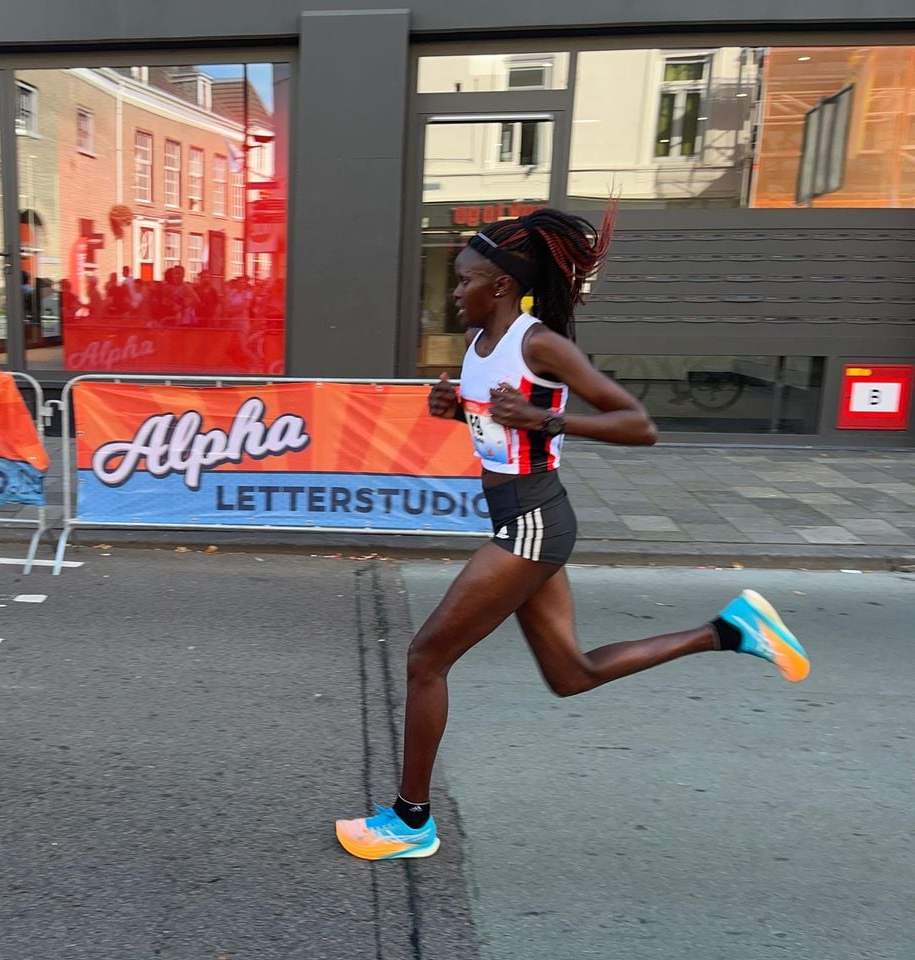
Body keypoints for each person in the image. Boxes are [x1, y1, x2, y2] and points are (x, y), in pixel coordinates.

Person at [334, 207, 810, 861]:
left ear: (499, 284)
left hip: (533, 523)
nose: (453, 292)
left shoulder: (541, 345)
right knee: (570, 674)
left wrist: (546, 420)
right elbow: (501, 426)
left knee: (426, 660)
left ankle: (411, 823)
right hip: (521, 520)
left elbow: (639, 424)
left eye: (463, 279)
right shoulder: (478, 347)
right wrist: (458, 411)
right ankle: (729, 630)